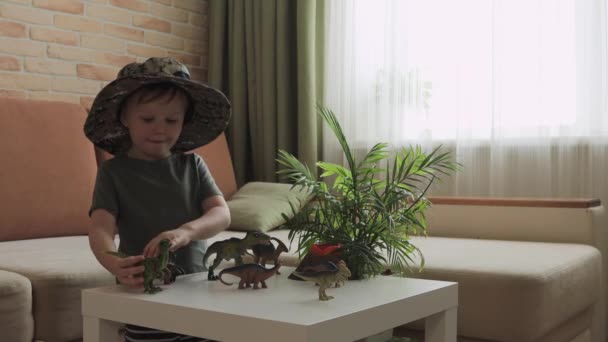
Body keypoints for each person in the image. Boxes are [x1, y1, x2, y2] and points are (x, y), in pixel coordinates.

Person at [84, 57, 231, 342]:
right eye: (147, 119)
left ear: (184, 121)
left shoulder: (193, 165)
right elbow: (100, 228)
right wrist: (114, 264)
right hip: (142, 290)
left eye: (171, 120)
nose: (160, 129)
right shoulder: (113, 173)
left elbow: (221, 214)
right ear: (125, 118)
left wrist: (186, 232)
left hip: (197, 285)